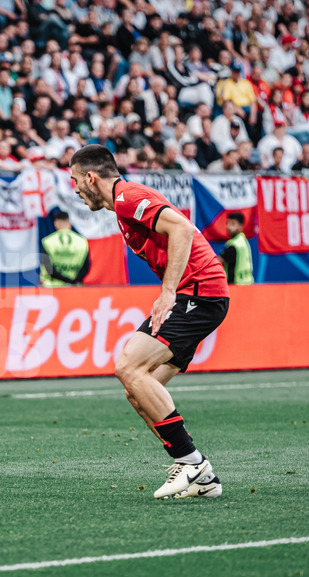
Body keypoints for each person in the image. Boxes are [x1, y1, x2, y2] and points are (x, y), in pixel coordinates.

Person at [68, 145, 230, 500]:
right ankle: (204, 479)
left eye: (75, 180)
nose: (75, 189)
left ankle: (191, 462)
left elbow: (182, 228)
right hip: (199, 295)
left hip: (198, 293)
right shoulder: (122, 205)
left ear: (91, 178)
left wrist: (168, 292)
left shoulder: (127, 197)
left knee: (128, 367)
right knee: (138, 388)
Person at [39, 210, 91, 286]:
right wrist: (73, 281)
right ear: (69, 223)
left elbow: (49, 268)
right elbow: (86, 267)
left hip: (52, 287)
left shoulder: (47, 241)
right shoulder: (82, 241)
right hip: (75, 286)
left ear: (56, 223)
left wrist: (66, 280)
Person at [218, 212, 254, 285]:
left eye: (233, 224)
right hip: (248, 283)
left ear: (241, 226)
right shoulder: (243, 240)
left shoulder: (233, 245)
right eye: (228, 223)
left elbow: (219, 262)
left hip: (236, 285)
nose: (229, 227)